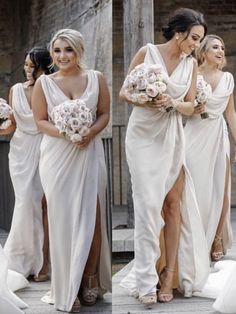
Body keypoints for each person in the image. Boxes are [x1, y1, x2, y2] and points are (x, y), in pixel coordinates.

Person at [119, 8, 209, 307]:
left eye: (200, 40)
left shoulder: (191, 63)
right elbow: (123, 93)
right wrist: (145, 97)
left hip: (172, 138)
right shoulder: (148, 53)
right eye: (194, 38)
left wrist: (171, 103)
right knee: (147, 208)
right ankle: (146, 280)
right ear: (179, 32)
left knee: (172, 206)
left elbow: (191, 106)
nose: (196, 44)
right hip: (143, 137)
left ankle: (168, 274)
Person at [32, 28, 111, 313]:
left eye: (68, 49)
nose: (62, 56)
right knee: (62, 219)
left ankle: (90, 278)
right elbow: (40, 121)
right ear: (52, 54)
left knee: (92, 215)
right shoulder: (44, 84)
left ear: (78, 50)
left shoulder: (97, 78)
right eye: (57, 50)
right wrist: (67, 134)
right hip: (57, 156)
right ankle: (66, 285)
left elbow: (104, 114)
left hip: (88, 153)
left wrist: (89, 133)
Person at [1, 47, 52, 281]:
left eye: (33, 65)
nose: (28, 69)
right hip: (20, 151)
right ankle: (21, 260)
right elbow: (12, 124)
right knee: (24, 202)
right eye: (26, 65)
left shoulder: (51, 88)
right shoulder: (15, 90)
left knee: (42, 203)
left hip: (45, 147)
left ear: (44, 66)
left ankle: (44, 262)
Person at [185, 35, 235, 261]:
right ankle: (193, 238)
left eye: (222, 48)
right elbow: (183, 107)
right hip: (194, 135)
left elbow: (231, 113)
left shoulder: (227, 78)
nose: (221, 51)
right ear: (203, 51)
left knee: (220, 187)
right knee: (194, 187)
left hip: (218, 135)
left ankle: (216, 237)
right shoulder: (192, 75)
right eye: (215, 47)